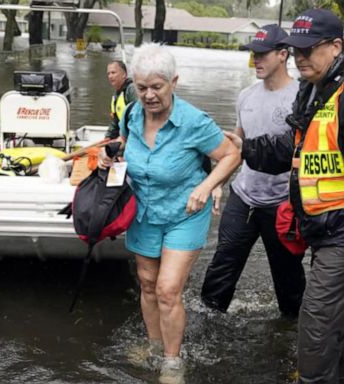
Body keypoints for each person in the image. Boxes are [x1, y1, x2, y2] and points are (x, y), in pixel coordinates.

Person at [98, 43, 240, 384]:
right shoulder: (132, 113)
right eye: (142, 87)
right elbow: (123, 140)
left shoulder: (193, 121)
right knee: (147, 284)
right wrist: (111, 157)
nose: (149, 95)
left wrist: (206, 187)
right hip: (145, 210)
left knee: (167, 289)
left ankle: (173, 361)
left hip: (184, 213)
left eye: (157, 87)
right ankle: (154, 345)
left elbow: (231, 155)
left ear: (174, 82)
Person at [225, 9, 344, 384]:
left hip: (339, 233)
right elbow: (289, 150)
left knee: (316, 322)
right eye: (296, 50)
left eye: (310, 49)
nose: (301, 57)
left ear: (337, 46)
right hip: (319, 227)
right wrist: (240, 148)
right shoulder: (312, 91)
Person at [201, 24, 306, 318]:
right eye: (253, 54)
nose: (255, 60)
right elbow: (236, 148)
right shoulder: (245, 96)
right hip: (243, 197)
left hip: (281, 204)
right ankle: (206, 324)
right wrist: (219, 182)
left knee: (289, 285)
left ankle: (292, 333)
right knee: (220, 271)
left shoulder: (301, 97)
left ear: (283, 54)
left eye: (262, 54)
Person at [105, 60, 137, 139]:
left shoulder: (131, 90)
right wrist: (108, 137)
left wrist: (124, 138)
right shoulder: (116, 95)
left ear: (124, 75)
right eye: (108, 73)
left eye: (113, 73)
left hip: (133, 136)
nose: (110, 76)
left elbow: (138, 117)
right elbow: (115, 121)